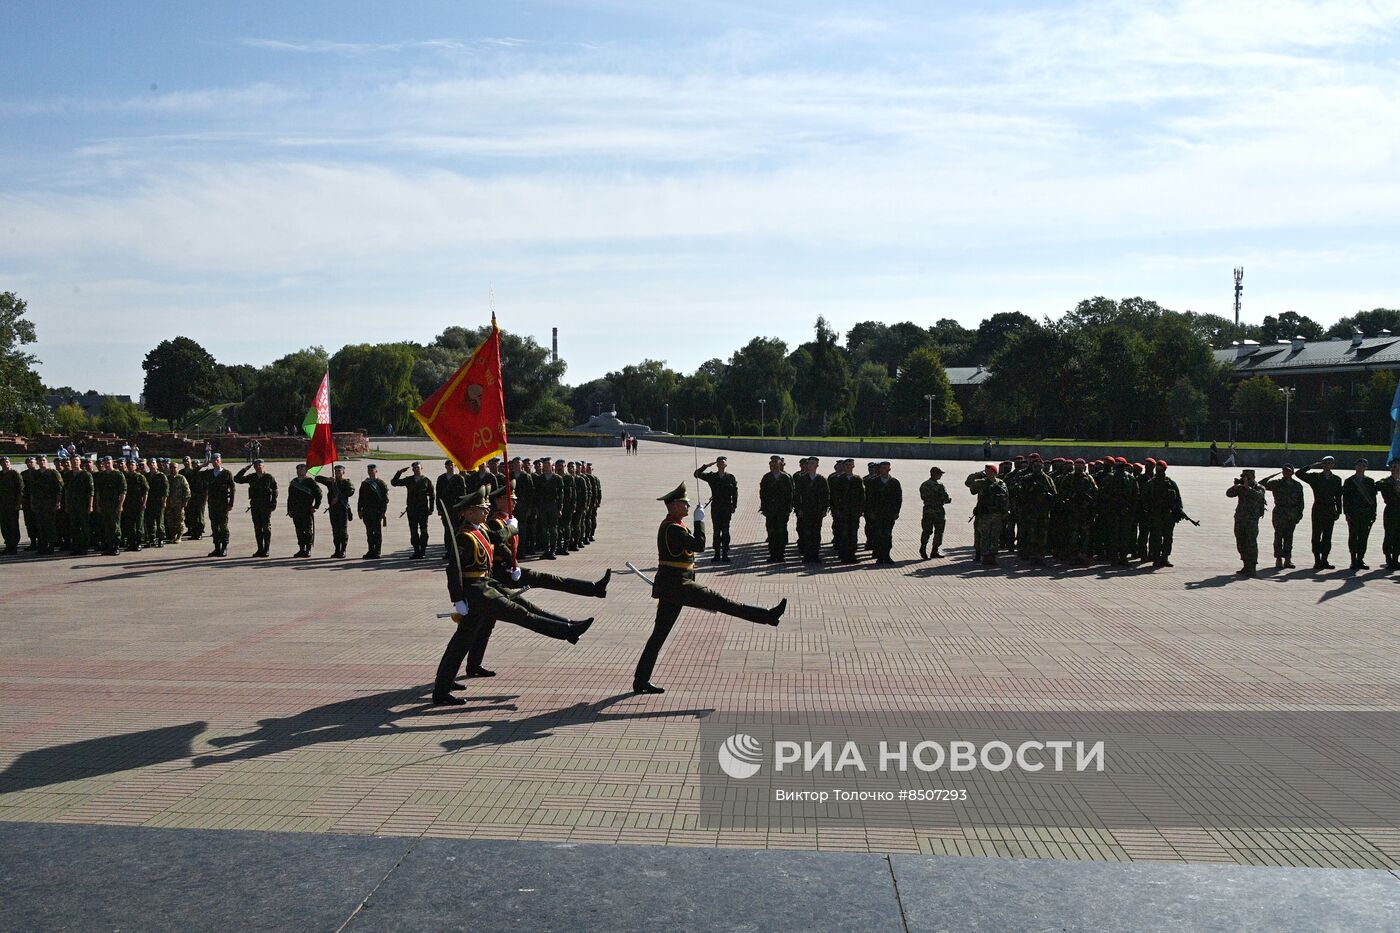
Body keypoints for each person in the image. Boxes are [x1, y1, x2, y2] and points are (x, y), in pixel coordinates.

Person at [431, 486, 594, 706]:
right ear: (469, 512)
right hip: (476, 591)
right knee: (520, 614)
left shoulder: (479, 530)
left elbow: (498, 536)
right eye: (482, 508)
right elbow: (453, 570)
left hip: (486, 584)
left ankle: (443, 685)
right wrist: (457, 598)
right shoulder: (464, 536)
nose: (486, 511)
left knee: (463, 640)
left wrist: (512, 527)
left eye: (487, 507)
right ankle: (567, 631)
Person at [632, 483, 786, 694]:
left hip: (673, 586)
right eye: (684, 503)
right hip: (679, 585)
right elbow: (699, 545)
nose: (688, 505)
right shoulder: (673, 528)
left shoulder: (673, 524)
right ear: (674, 505)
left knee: (659, 635)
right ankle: (767, 616)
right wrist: (699, 521)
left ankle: (640, 680)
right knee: (723, 603)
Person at [458, 485, 613, 679]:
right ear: (499, 501)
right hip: (500, 575)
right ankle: (572, 622)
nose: (514, 501)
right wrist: (512, 557)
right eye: (509, 499)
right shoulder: (494, 523)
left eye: (514, 498)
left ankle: (474, 665)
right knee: (526, 607)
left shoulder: (498, 521)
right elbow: (497, 543)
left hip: (495, 578)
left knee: (486, 624)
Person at [1297, 457, 1343, 569]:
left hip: (1330, 509)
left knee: (1327, 536)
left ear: (1333, 465)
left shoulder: (1336, 479)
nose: (1327, 465)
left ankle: (1325, 559)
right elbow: (1298, 473)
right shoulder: (1315, 477)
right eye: (1325, 463)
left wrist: (1339, 511)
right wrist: (1311, 466)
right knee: (1316, 535)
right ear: (1322, 465)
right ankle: (1317, 560)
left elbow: (1338, 496)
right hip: (1318, 508)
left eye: (1330, 463)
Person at [1011, 454, 1056, 564]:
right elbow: (1016, 490)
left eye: (1039, 466)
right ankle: (1029, 554)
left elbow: (1054, 494)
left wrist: (1047, 495)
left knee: (1042, 535)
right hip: (1029, 511)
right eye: (1035, 466)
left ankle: (1040, 556)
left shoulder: (1047, 479)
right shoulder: (1026, 478)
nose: (1037, 468)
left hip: (1043, 511)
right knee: (1030, 534)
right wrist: (1028, 491)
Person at [694, 457, 739, 563]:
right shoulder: (712, 476)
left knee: (726, 531)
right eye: (719, 462)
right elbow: (696, 474)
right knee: (716, 531)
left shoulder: (730, 477)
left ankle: (725, 553)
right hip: (716, 507)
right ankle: (717, 553)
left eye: (723, 462)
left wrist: (734, 506)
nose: (721, 464)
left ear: (726, 464)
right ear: (717, 464)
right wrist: (706, 465)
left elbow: (735, 493)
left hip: (727, 507)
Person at [1260, 465, 1305, 570]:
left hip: (1292, 512)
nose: (1286, 473)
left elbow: (1300, 502)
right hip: (1280, 512)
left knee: (1289, 537)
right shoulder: (1276, 483)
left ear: (1292, 472)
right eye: (1284, 471)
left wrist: (1299, 514)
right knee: (1278, 536)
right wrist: (1270, 476)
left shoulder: (1297, 485)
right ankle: (1279, 558)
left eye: (1288, 471)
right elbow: (1261, 484)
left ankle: (1288, 559)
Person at [1141, 460, 1183, 568]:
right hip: (1156, 515)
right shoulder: (1151, 484)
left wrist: (1178, 511)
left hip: (1169, 516)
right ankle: (1156, 558)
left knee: (1168, 538)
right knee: (1156, 537)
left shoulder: (1171, 483)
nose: (1158, 471)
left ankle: (1165, 558)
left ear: (1164, 470)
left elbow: (1178, 499)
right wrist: (1149, 511)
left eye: (1161, 469)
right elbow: (1144, 499)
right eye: (1157, 469)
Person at [965, 465, 1009, 566]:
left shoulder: (1001, 484)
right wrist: (976, 474)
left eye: (989, 471)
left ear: (994, 472)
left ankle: (992, 556)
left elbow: (1006, 498)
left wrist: (1005, 512)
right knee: (984, 536)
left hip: (997, 514)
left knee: (995, 536)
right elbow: (968, 484)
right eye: (986, 471)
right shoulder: (981, 482)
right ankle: (985, 556)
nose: (987, 473)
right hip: (984, 514)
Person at [1226, 469, 1267, 577]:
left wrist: (1247, 488)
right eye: (1244, 477)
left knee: (1251, 543)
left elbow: (1259, 496)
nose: (1245, 479)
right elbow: (1228, 494)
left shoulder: (1259, 487)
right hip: (1240, 519)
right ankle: (1245, 565)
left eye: (1247, 477)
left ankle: (1252, 567)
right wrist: (1236, 486)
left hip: (1252, 520)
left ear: (1252, 477)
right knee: (1241, 542)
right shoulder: (1240, 487)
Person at [391, 462, 435, 559]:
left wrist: (431, 509)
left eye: (417, 467)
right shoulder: (409, 480)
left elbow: (432, 496)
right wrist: (399, 472)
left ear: (421, 468)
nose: (416, 469)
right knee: (413, 531)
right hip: (412, 510)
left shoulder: (426, 481)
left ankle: (423, 551)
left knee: (424, 531)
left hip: (423, 510)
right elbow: (394, 483)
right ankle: (416, 551)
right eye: (414, 468)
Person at [235, 459, 278, 558]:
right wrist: (245, 469)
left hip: (266, 505)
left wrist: (274, 502)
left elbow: (275, 490)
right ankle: (260, 549)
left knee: (266, 527)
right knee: (257, 528)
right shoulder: (252, 477)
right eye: (256, 465)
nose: (258, 466)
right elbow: (237, 479)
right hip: (255, 505)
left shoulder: (268, 477)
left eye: (260, 465)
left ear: (263, 466)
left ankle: (266, 549)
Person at [1341, 458, 1378, 571]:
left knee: (1363, 537)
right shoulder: (1349, 481)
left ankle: (1360, 559)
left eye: (1363, 465)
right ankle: (1353, 560)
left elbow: (1373, 499)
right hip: (1353, 513)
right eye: (1358, 465)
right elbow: (1345, 499)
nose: (1360, 467)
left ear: (1366, 468)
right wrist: (1346, 513)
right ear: (1355, 466)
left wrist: (1374, 512)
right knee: (1353, 537)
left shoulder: (1370, 481)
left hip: (1366, 513)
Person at [1060, 458, 1098, 565]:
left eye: (1081, 466)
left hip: (1085, 511)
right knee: (1073, 534)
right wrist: (1072, 496)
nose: (1079, 468)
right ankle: (1073, 555)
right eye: (1077, 466)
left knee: (1085, 535)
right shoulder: (1069, 477)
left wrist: (1088, 500)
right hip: (1073, 510)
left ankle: (1083, 555)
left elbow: (1095, 491)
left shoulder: (1089, 478)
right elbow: (1062, 490)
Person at [792, 457, 830, 563]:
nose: (810, 465)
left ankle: (815, 555)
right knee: (806, 533)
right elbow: (797, 495)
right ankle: (807, 555)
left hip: (817, 511)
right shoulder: (802, 479)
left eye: (813, 464)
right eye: (809, 464)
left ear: (817, 466)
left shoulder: (821, 479)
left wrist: (824, 509)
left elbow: (826, 495)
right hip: (805, 511)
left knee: (816, 533)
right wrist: (798, 508)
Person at [828, 458, 864, 563]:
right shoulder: (839, 479)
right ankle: (843, 555)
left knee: (853, 533)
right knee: (843, 533)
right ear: (844, 467)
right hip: (842, 511)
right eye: (846, 465)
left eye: (850, 465)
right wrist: (836, 509)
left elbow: (861, 496)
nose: (848, 467)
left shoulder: (857, 479)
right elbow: (834, 496)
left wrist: (861, 509)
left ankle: (852, 554)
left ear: (853, 466)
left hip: (853, 512)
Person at [316, 464, 355, 559]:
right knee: (335, 531)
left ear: (343, 472)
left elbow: (351, 491)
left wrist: (338, 497)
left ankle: (343, 550)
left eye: (339, 470)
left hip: (342, 508)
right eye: (336, 470)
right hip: (333, 510)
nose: (337, 472)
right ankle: (337, 550)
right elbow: (317, 478)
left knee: (342, 531)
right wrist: (329, 479)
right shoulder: (331, 482)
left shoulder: (346, 482)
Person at [758, 455, 794, 562]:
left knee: (781, 531)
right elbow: (762, 494)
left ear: (780, 464)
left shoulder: (785, 477)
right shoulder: (766, 477)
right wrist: (764, 508)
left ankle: (781, 554)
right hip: (770, 510)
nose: (774, 465)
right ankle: (773, 554)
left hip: (782, 510)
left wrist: (789, 507)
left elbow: (791, 493)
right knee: (772, 532)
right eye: (772, 463)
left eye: (776, 462)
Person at [866, 461, 902, 564]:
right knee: (877, 534)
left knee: (887, 534)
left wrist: (896, 511)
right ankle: (879, 555)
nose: (884, 470)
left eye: (886, 468)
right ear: (879, 469)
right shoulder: (873, 482)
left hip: (889, 513)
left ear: (889, 469)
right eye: (882, 468)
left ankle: (886, 555)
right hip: (877, 513)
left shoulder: (894, 482)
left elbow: (898, 498)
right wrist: (870, 512)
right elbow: (869, 498)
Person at [286, 463, 322, 558]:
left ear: (306, 471)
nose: (300, 471)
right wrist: (289, 509)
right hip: (296, 510)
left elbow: (318, 494)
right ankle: (301, 549)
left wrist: (315, 506)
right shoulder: (294, 482)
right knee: (299, 530)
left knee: (307, 530)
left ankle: (308, 549)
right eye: (298, 469)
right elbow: (290, 497)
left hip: (306, 509)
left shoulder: (310, 481)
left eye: (302, 469)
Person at [92, 456, 126, 555]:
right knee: (106, 526)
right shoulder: (102, 475)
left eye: (108, 462)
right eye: (105, 462)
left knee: (115, 526)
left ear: (112, 462)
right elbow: (98, 491)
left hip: (115, 504)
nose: (107, 464)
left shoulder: (118, 475)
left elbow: (123, 491)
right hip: (104, 504)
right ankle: (108, 546)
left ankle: (116, 546)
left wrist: (120, 505)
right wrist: (98, 504)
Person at [204, 454, 236, 557]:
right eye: (213, 460)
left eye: (217, 460)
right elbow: (194, 474)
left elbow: (232, 489)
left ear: (220, 461)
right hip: (212, 504)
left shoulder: (226, 473)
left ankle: (224, 547)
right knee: (214, 526)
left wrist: (231, 503)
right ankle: (217, 548)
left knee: (223, 526)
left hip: (223, 504)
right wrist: (203, 465)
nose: (215, 462)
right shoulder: (209, 473)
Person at [918, 466, 951, 560]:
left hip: (927, 509)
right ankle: (934, 550)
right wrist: (947, 500)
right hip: (938, 511)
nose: (940, 475)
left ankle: (923, 547)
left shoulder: (924, 484)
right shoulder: (940, 486)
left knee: (926, 530)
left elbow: (923, 496)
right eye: (939, 474)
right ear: (933, 474)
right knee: (939, 531)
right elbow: (945, 498)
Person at [63, 454, 94, 556]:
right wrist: (67, 504)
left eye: (77, 460)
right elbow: (66, 491)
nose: (75, 462)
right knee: (74, 527)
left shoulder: (86, 475)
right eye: (73, 460)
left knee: (84, 526)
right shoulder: (68, 475)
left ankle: (84, 547)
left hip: (83, 504)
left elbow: (91, 491)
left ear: (80, 462)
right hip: (73, 504)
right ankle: (76, 547)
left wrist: (90, 505)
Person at [357, 464, 390, 559]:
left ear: (376, 471)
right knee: (369, 532)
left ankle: (377, 551)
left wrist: (383, 511)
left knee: (377, 532)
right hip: (367, 511)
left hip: (377, 511)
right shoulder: (365, 483)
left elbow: (385, 499)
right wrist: (359, 510)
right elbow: (361, 498)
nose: (370, 471)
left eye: (372, 470)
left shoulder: (381, 483)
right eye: (369, 470)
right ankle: (371, 550)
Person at [435, 461, 468, 553]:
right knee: (447, 530)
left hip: (457, 509)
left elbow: (463, 495)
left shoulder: (459, 478)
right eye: (448, 465)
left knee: (457, 529)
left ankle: (457, 550)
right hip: (446, 508)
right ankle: (449, 550)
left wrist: (463, 509)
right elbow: (438, 495)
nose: (450, 467)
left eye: (452, 465)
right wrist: (439, 509)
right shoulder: (441, 479)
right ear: (445, 467)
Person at [119, 458, 147, 552]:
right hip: (128, 504)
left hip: (138, 503)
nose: (130, 466)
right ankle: (131, 543)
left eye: (132, 465)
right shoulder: (124, 476)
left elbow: (145, 491)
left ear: (135, 466)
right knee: (129, 525)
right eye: (129, 465)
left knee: (139, 525)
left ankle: (138, 543)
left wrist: (144, 503)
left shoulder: (140, 477)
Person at [1376, 459, 1400, 570]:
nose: (1395, 469)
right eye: (1393, 467)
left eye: (1397, 467)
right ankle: (1388, 558)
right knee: (1389, 535)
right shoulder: (1385, 482)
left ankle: (1396, 558)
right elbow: (1377, 486)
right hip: (1391, 510)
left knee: (1398, 536)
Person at [181, 455, 209, 540]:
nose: (187, 463)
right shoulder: (185, 473)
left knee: (199, 516)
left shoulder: (200, 474)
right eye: (185, 461)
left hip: (199, 498)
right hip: (190, 497)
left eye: (188, 461)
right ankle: (193, 531)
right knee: (190, 515)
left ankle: (199, 532)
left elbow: (205, 488)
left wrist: (205, 498)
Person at [164, 460, 190, 545]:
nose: (172, 469)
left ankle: (179, 536)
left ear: (177, 469)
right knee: (170, 520)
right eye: (171, 468)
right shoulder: (167, 478)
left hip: (179, 503)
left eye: (174, 468)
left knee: (180, 520)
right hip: (169, 503)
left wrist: (185, 501)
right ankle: (173, 536)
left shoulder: (181, 478)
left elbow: (187, 490)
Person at [143, 458, 168, 548]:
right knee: (150, 522)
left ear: (157, 465)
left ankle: (161, 539)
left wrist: (164, 501)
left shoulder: (161, 476)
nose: (152, 465)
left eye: (153, 463)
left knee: (160, 522)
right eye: (150, 463)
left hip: (159, 501)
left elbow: (165, 490)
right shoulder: (147, 476)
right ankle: (152, 539)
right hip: (149, 502)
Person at [0, 456, 22, 555]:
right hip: (2, 505)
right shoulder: (0, 475)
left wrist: (19, 503)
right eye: (3, 462)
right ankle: (8, 545)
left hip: (12, 504)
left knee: (13, 526)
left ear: (10, 463)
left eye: (7, 462)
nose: (5, 464)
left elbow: (20, 490)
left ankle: (14, 546)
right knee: (4, 526)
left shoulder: (14, 474)